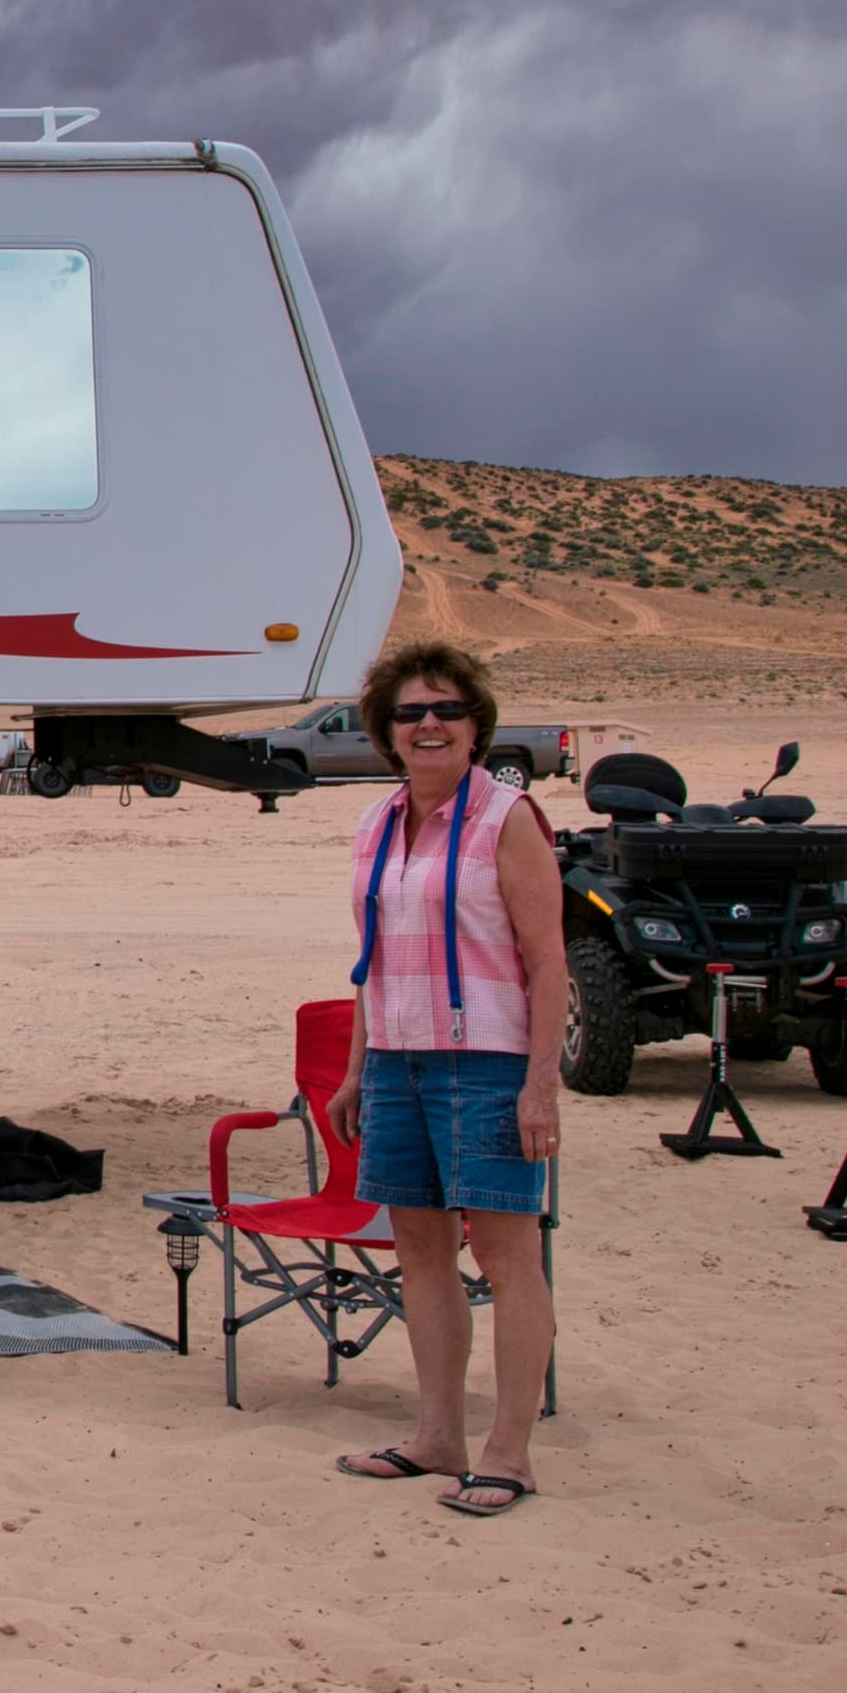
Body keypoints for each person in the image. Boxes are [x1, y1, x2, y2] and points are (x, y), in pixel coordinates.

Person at [323, 640, 565, 1519]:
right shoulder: (377, 823)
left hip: (488, 1062)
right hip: (396, 1059)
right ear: (386, 733)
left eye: (446, 711)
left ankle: (510, 1451)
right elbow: (370, 964)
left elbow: (548, 963)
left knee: (506, 1258)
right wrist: (357, 1070)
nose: (429, 726)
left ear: (475, 727)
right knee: (420, 1253)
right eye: (410, 714)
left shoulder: (510, 819)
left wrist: (540, 1086)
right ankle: (437, 1436)